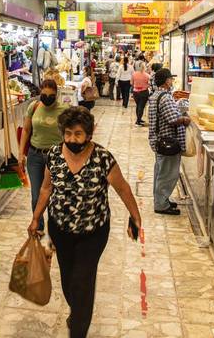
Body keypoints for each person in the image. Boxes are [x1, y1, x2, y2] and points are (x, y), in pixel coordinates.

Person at [28, 107, 142, 338]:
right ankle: (78, 311)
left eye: (78, 134)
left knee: (82, 281)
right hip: (60, 229)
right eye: (68, 133)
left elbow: (122, 188)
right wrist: (36, 217)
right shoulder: (54, 155)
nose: (72, 139)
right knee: (68, 282)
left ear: (89, 134)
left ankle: (78, 328)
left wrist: (136, 218)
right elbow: (46, 188)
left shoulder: (102, 158)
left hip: (93, 232)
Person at [19, 79, 70, 233]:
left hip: (56, 157)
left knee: (55, 195)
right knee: (36, 195)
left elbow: (69, 133)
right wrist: (21, 153)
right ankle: (39, 225)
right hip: (35, 155)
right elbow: (26, 130)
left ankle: (56, 227)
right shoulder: (33, 107)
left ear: (56, 94)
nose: (47, 98)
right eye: (44, 95)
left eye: (51, 95)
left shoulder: (64, 110)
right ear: (40, 93)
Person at [148, 68, 189, 216]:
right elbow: (173, 119)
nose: (172, 81)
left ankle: (161, 200)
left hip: (160, 140)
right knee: (167, 174)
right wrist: (185, 119)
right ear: (166, 81)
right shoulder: (165, 97)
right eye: (170, 79)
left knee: (161, 172)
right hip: (167, 142)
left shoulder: (155, 95)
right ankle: (161, 204)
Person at [131, 61, 151, 126]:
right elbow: (149, 84)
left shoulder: (134, 74)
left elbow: (131, 83)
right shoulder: (147, 75)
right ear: (145, 67)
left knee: (138, 105)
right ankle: (138, 121)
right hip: (144, 92)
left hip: (135, 92)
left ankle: (139, 119)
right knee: (141, 106)